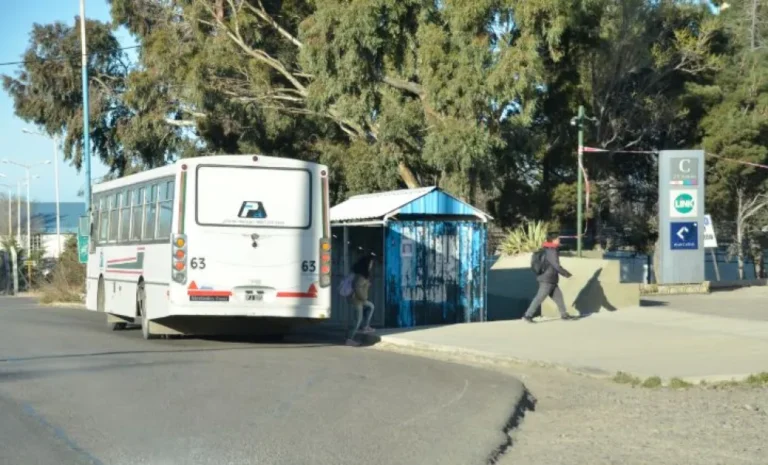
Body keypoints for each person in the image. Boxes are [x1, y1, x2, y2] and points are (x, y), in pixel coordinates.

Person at [523, 233, 575, 323]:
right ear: (553, 240)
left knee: (559, 297)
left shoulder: (548, 248)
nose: (559, 240)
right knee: (540, 297)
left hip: (550, 278)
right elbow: (556, 265)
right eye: (558, 239)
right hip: (547, 279)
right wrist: (567, 274)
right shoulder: (551, 251)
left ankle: (564, 314)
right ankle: (528, 315)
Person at [346, 255, 376, 346]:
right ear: (366, 265)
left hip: (358, 299)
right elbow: (357, 287)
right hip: (357, 300)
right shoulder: (361, 276)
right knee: (357, 320)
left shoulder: (360, 275)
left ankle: (365, 326)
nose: (371, 265)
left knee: (370, 306)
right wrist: (364, 297)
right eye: (370, 263)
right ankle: (349, 339)